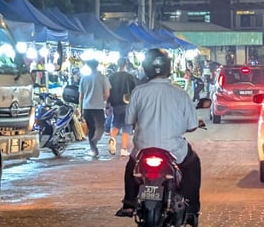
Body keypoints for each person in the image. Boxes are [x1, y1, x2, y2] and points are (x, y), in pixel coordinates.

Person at [116, 48, 202, 226]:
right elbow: (192, 126)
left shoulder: (138, 92)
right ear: (169, 69)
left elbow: (130, 120)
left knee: (131, 166)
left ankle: (129, 203)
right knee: (193, 164)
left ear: (145, 69)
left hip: (143, 148)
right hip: (174, 150)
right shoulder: (180, 94)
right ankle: (192, 209)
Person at [79, 59, 111, 159]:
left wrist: (80, 109)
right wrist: (102, 100)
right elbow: (107, 93)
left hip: (87, 107)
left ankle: (93, 149)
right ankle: (95, 141)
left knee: (91, 128)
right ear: (97, 66)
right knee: (100, 127)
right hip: (98, 106)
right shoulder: (103, 77)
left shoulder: (84, 78)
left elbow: (81, 96)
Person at [108, 57, 138, 157]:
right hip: (127, 104)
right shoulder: (129, 76)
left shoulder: (111, 77)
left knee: (115, 124)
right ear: (126, 64)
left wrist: (108, 104)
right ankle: (123, 149)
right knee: (127, 126)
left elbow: (108, 91)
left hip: (115, 104)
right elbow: (135, 91)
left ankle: (112, 138)